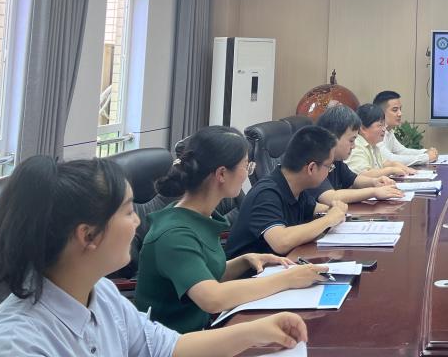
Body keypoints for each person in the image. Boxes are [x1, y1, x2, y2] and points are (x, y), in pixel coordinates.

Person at [0, 155, 307, 355]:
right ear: (88, 235)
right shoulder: (13, 345)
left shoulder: (101, 294)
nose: (137, 220)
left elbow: (169, 348)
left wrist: (258, 331)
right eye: (127, 211)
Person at [134, 126, 328, 333]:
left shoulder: (199, 216)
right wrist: (288, 279)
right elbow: (213, 298)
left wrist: (243, 261)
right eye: (246, 166)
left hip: (200, 333)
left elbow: (200, 274)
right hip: (171, 343)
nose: (247, 174)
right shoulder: (174, 234)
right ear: (222, 174)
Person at [225, 125, 349, 257]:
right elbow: (281, 242)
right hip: (250, 269)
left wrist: (335, 209)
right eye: (329, 166)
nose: (329, 171)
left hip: (280, 265)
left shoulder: (296, 188)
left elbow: (318, 209)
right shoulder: (266, 193)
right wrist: (329, 219)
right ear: (311, 168)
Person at [314, 106, 405, 204]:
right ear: (332, 138)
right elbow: (330, 197)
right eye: (351, 140)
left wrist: (375, 182)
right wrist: (374, 192)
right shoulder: (315, 160)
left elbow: (354, 180)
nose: (353, 146)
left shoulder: (336, 160)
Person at [346, 103, 415, 179]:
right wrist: (391, 170)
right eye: (380, 125)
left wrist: (399, 166)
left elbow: (386, 163)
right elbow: (363, 175)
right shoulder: (355, 146)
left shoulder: (374, 145)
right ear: (363, 128)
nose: (384, 129)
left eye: (384, 125)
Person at [373, 90, 438, 166]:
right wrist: (426, 157)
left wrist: (425, 152)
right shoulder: (375, 132)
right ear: (381, 112)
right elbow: (390, 159)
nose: (400, 113)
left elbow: (401, 151)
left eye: (400, 109)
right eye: (395, 110)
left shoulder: (389, 130)